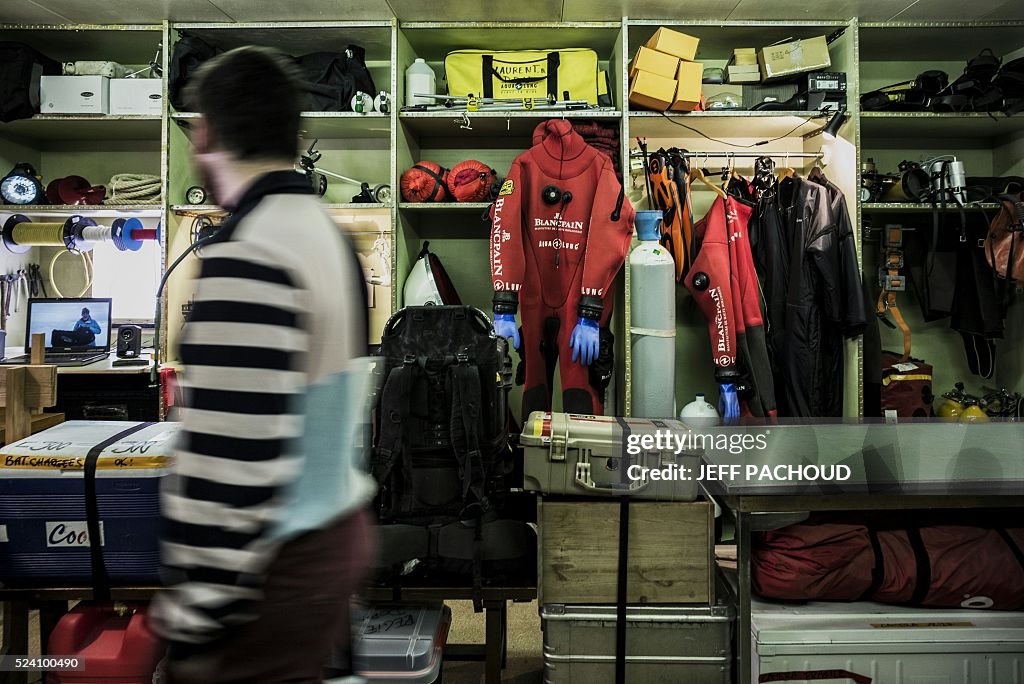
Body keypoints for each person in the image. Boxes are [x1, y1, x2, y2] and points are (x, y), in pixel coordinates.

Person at [149, 46, 375, 684]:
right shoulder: (327, 235)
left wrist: (197, 618)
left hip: (273, 564)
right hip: (332, 538)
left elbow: (230, 462)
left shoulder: (250, 253)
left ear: (206, 132)